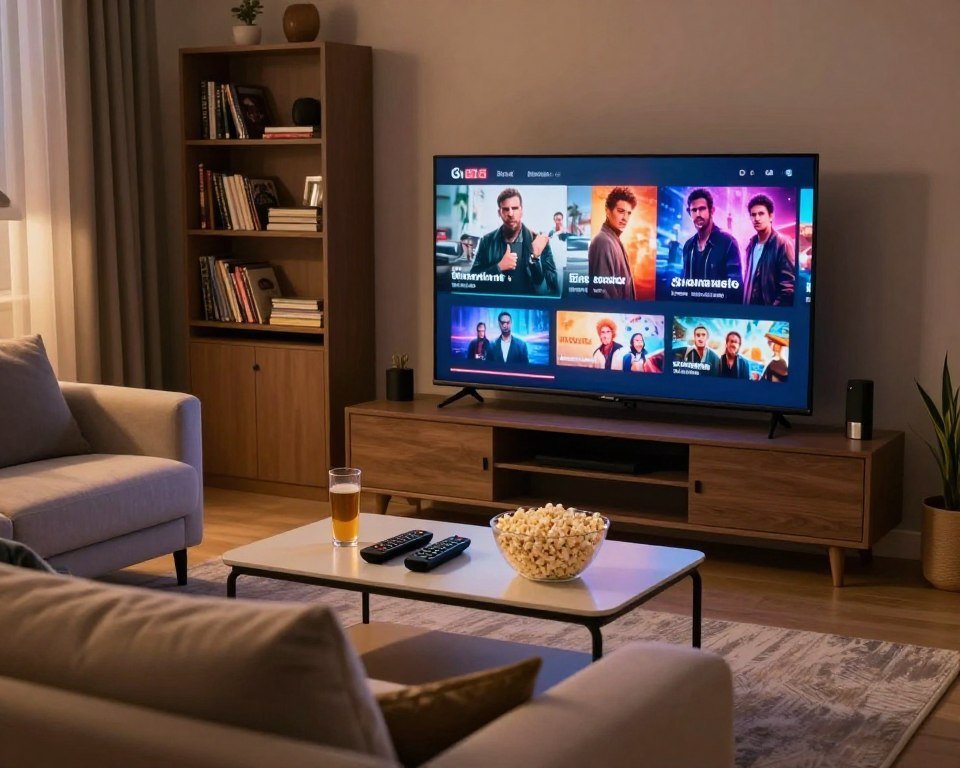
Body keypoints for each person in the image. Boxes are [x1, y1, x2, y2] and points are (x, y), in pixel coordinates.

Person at [470, 188, 559, 296]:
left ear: (521, 211)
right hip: (495, 302)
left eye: (515, 208)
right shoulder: (486, 241)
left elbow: (552, 288)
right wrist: (498, 268)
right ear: (500, 212)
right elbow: (473, 281)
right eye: (506, 209)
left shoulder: (538, 240)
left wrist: (534, 259)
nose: (511, 213)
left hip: (527, 305)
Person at [681, 188, 742, 302]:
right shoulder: (688, 246)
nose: (698, 214)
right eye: (693, 210)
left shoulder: (728, 242)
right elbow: (684, 285)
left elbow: (736, 289)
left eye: (702, 209)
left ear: (712, 210)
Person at [742, 194, 796, 306]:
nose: (756, 218)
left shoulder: (783, 243)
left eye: (761, 214)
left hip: (767, 316)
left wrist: (771, 313)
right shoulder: (751, 245)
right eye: (753, 215)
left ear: (771, 216)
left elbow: (788, 288)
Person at [588, 187, 637, 300]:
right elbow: (602, 293)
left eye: (628, 213)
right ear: (607, 210)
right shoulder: (603, 242)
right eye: (620, 211)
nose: (625, 218)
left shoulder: (614, 240)